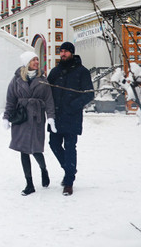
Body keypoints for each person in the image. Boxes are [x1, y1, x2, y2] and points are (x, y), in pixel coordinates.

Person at [3, 51, 57, 196]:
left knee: (36, 149)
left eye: (37, 60)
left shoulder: (42, 80)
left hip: (36, 118)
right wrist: (6, 117)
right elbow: (10, 100)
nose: (37, 62)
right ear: (27, 63)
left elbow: (49, 100)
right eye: (34, 60)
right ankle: (29, 184)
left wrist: (51, 117)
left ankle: (43, 170)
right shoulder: (16, 80)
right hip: (21, 118)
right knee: (23, 150)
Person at [47, 42, 94, 196]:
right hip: (56, 116)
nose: (63, 54)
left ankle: (68, 182)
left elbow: (89, 93)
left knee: (70, 148)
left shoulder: (82, 72)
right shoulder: (54, 72)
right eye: (61, 51)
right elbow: (47, 92)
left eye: (66, 51)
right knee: (53, 144)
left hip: (72, 117)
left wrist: (73, 105)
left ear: (72, 53)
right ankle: (70, 169)